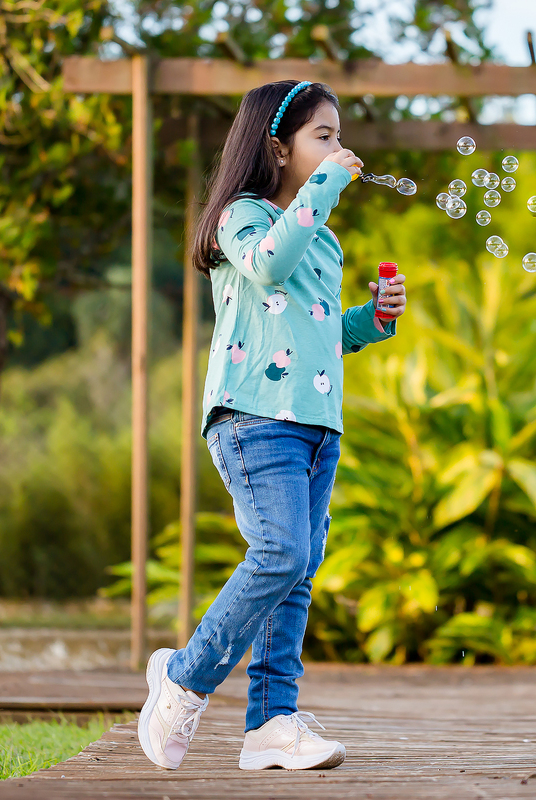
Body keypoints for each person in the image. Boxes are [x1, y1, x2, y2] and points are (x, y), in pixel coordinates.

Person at [137, 80, 407, 772]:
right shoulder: (241, 217)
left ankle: (270, 726)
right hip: (255, 419)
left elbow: (318, 336)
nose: (340, 149)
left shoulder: (323, 239)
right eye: (325, 136)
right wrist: (323, 194)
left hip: (318, 426)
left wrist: (373, 320)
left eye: (339, 136)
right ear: (277, 146)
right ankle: (184, 678)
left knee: (299, 571)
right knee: (280, 553)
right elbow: (266, 266)